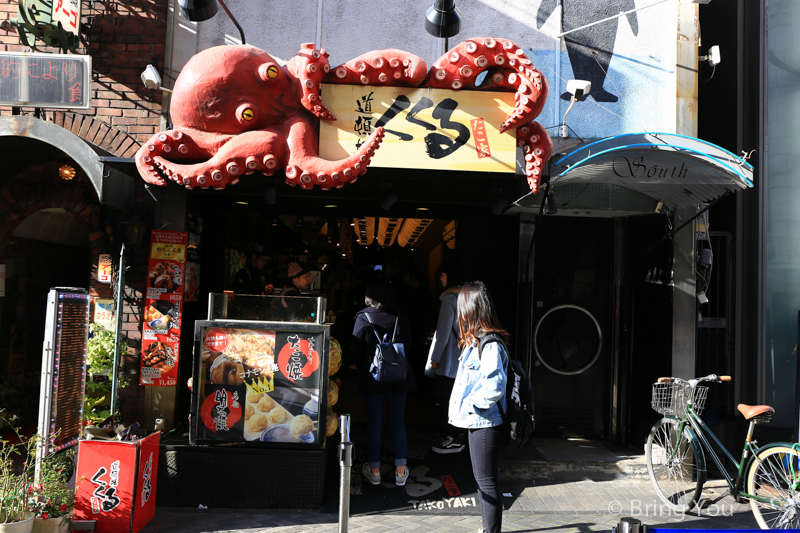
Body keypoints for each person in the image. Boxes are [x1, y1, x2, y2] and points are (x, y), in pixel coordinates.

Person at [449, 281, 509, 533]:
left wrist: (471, 405)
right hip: (478, 420)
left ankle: (491, 531)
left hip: (484, 421)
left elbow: (495, 386)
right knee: (483, 480)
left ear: (472, 310)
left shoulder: (490, 343)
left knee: (487, 481)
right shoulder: (478, 340)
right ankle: (488, 529)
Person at [351, 279, 416, 487]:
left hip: (374, 377)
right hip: (398, 376)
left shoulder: (363, 316)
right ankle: (400, 472)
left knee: (374, 424)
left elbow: (356, 349)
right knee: (398, 423)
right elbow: (408, 345)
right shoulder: (401, 315)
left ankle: (375, 471)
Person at [424, 261, 466, 454]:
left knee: (447, 399)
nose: (440, 278)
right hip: (465, 357)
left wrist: (434, 358)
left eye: (442, 274)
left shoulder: (449, 298)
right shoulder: (468, 296)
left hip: (450, 359)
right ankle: (460, 436)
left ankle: (454, 437)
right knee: (459, 398)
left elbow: (442, 333)